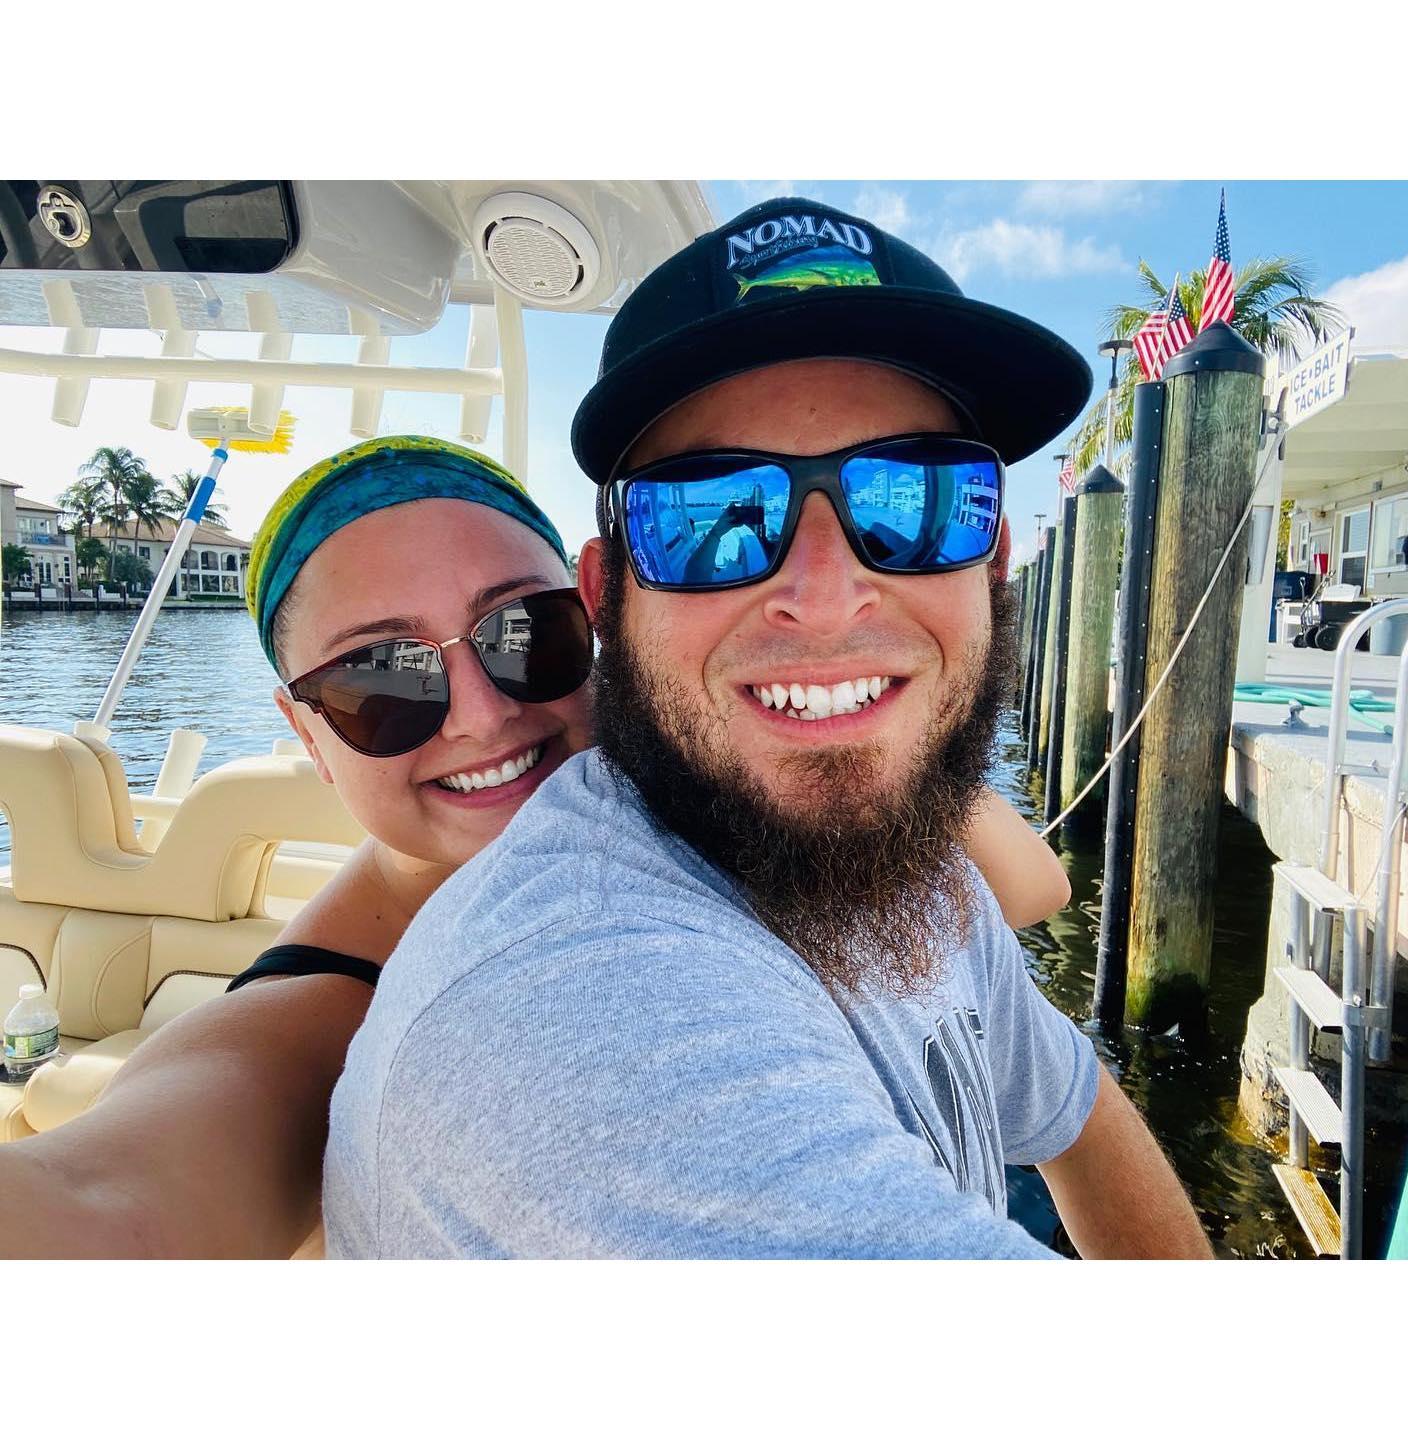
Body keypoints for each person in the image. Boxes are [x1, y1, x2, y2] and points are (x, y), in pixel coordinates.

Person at [324, 198, 1214, 1260]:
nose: (826, 598)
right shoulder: (575, 1016)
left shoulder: (908, 870)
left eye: (916, 501)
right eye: (711, 516)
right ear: (607, 598)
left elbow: (1074, 1106)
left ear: (992, 562)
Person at [0, 434, 1065, 1259]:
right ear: (309, 736)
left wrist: (837, 733)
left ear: (602, 629)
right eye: (380, 679)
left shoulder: (712, 798)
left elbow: (1033, 887)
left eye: (525, 635)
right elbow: (103, 1204)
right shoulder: (318, 1017)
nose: (481, 717)